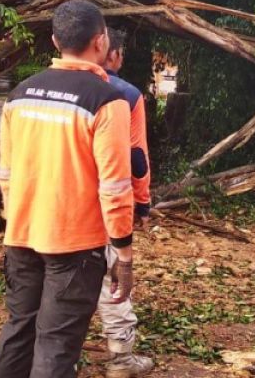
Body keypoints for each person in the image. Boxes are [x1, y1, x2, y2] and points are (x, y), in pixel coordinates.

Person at [0, 0, 135, 378]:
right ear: (101, 42)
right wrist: (123, 251)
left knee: (19, 330)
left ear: (55, 40)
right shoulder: (107, 101)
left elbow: (6, 172)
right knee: (55, 345)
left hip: (21, 234)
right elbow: (115, 185)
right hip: (74, 244)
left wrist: (16, 217)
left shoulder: (20, 94)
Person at [96, 28, 154, 377]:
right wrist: (142, 203)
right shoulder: (126, 95)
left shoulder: (43, 88)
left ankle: (58, 353)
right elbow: (137, 158)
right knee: (113, 276)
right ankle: (120, 358)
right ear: (111, 52)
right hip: (107, 205)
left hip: (53, 207)